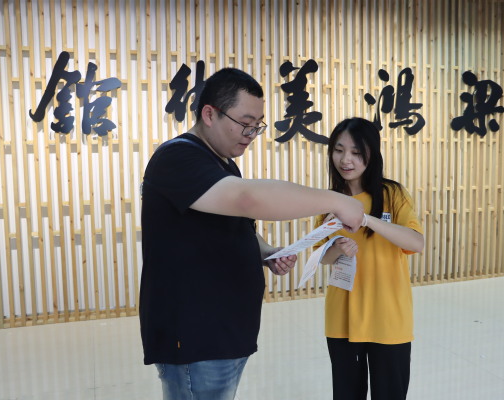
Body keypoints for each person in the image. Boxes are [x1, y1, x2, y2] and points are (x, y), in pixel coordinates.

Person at [139, 68, 365, 400]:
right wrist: (336, 200)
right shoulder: (177, 157)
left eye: (257, 125)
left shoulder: (223, 163)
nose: (251, 134)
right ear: (209, 114)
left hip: (225, 331)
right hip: (195, 336)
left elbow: (236, 225)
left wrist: (265, 252)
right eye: (245, 123)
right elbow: (247, 199)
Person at [315, 117, 424, 400]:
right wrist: (338, 247)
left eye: (356, 152)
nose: (345, 160)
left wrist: (365, 219)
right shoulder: (327, 200)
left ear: (371, 154)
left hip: (388, 317)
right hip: (343, 318)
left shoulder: (393, 194)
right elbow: (323, 258)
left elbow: (416, 242)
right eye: (339, 150)